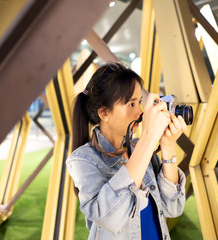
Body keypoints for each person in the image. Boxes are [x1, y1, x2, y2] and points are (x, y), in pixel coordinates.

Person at [66, 62, 187, 240]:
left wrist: (167, 145)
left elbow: (173, 207)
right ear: (104, 113)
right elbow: (109, 219)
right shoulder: (83, 160)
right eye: (131, 104)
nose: (140, 112)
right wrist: (149, 138)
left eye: (139, 102)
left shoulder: (141, 148)